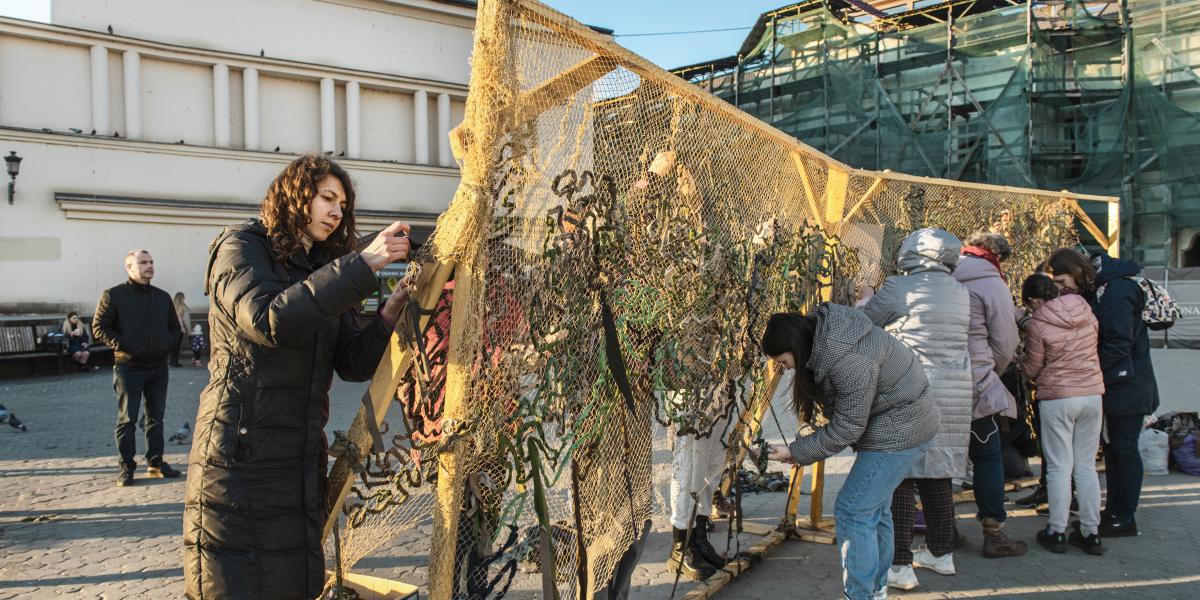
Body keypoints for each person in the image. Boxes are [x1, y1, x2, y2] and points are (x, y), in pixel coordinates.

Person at [182, 155, 412, 600]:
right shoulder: (241, 247)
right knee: (237, 584)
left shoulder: (321, 267)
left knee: (294, 582)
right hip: (240, 456)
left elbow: (351, 363)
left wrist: (388, 316)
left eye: (342, 206)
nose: (335, 212)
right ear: (295, 195)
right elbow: (269, 320)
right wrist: (361, 265)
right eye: (327, 198)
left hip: (298, 460)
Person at [763, 304, 938, 600]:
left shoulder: (847, 358)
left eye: (783, 361)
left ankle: (860, 595)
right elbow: (839, 410)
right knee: (874, 509)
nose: (786, 368)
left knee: (852, 509)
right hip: (903, 424)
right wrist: (798, 448)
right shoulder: (831, 341)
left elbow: (847, 427)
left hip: (901, 431)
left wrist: (797, 452)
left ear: (795, 346)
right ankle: (876, 589)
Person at [859, 228, 972, 590]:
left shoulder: (900, 287)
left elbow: (865, 323)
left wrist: (863, 299)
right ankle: (941, 554)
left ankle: (900, 563)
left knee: (901, 476)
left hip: (908, 388)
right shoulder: (960, 291)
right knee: (937, 473)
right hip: (953, 392)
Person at [1043, 248, 1159, 537]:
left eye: (1061, 280)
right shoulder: (1101, 287)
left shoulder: (1116, 290)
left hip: (1127, 384)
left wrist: (1087, 371)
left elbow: (1118, 342)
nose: (1060, 288)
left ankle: (1124, 517)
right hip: (1119, 382)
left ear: (1076, 269)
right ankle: (1114, 512)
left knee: (1124, 449)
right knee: (1113, 449)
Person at [951, 232, 1027, 558]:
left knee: (940, 458)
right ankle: (994, 533)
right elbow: (1006, 340)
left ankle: (944, 530)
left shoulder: (942, 272)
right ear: (996, 255)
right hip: (974, 382)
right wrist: (992, 368)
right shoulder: (990, 281)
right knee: (987, 456)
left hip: (936, 381)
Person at [1019, 273, 1106, 555]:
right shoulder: (1086, 311)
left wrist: (1019, 361)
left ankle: (1057, 531)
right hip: (1092, 394)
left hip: (1058, 397)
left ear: (1034, 299)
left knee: (1059, 466)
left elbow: (1032, 368)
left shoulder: (1038, 323)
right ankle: (1091, 532)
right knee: (1086, 466)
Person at [93, 249, 184, 487]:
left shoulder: (162, 296)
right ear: (129, 267)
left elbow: (175, 328)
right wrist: (126, 345)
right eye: (143, 262)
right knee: (127, 420)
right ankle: (126, 468)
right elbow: (100, 327)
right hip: (128, 367)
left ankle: (155, 463)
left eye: (151, 262)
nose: (149, 266)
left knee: (156, 418)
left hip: (158, 367)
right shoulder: (114, 295)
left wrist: (167, 345)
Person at [170, 292, 190, 367]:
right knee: (177, 346)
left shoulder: (172, 306)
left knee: (173, 345)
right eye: (184, 297)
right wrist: (188, 330)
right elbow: (185, 320)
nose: (185, 298)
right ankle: (175, 362)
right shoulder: (183, 307)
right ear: (181, 298)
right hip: (179, 328)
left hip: (171, 328)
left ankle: (172, 361)